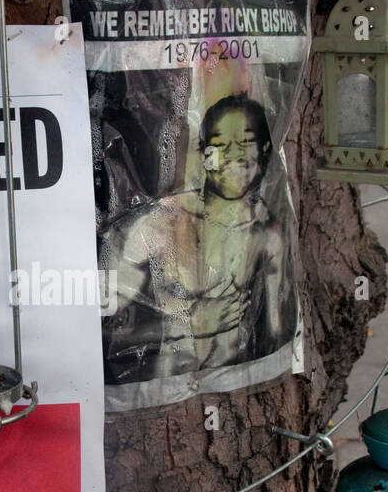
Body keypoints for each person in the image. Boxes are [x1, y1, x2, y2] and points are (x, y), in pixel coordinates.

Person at [100, 92, 290, 383]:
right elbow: (102, 327)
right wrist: (190, 323)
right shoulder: (162, 223)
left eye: (245, 142)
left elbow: (276, 336)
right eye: (219, 145)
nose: (232, 156)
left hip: (233, 385)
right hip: (162, 390)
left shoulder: (267, 235)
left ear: (265, 149)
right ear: (203, 155)